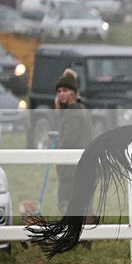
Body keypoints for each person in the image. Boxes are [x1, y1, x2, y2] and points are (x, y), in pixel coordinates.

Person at [54, 68, 94, 216]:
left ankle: (73, 237)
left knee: (66, 203)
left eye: (64, 90)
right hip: (84, 167)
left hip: (72, 169)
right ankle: (86, 237)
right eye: (58, 91)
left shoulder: (72, 111)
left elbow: (71, 138)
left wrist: (58, 156)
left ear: (73, 92)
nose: (61, 94)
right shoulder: (81, 108)